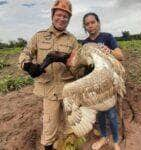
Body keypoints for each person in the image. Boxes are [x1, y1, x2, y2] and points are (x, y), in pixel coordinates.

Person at [19, 0, 79, 150]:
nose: (62, 19)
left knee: (70, 124)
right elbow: (25, 53)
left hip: (68, 90)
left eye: (66, 16)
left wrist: (70, 62)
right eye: (59, 15)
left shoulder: (72, 40)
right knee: (49, 125)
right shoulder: (39, 36)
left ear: (69, 19)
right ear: (52, 16)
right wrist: (28, 65)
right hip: (49, 91)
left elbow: (78, 64)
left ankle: (69, 146)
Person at [82, 12, 124, 150]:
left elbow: (120, 55)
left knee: (111, 114)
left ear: (98, 23)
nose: (90, 26)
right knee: (99, 113)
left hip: (108, 84)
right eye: (87, 24)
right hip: (93, 85)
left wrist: (109, 51)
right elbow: (83, 64)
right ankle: (104, 137)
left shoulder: (107, 37)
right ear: (85, 27)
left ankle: (116, 140)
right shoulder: (85, 43)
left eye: (92, 22)